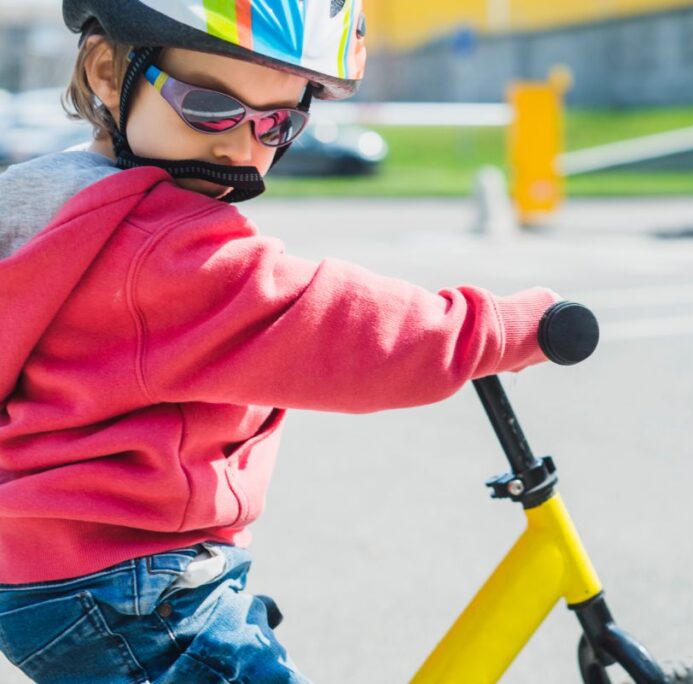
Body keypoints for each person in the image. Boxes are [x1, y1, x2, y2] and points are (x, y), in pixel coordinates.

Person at [0, 2, 561, 681]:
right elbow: (333, 327)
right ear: (107, 73)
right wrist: (502, 327)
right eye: (209, 106)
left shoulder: (42, 201)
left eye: (278, 122)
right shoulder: (163, 249)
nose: (239, 148)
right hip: (130, 589)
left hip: (51, 569)